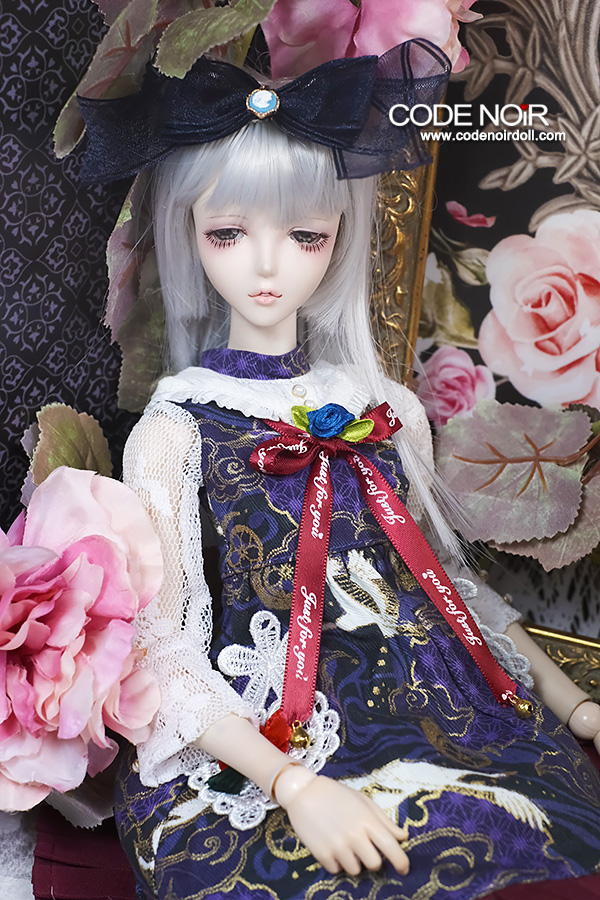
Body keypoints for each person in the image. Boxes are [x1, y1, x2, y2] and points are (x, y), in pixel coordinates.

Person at [78, 47, 600, 900]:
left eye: (305, 236)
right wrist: (290, 782)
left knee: (526, 825)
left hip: (436, 714)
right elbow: (162, 650)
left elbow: (449, 587)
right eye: (228, 233)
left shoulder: (387, 406)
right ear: (189, 234)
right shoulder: (174, 430)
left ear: (339, 239)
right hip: (272, 738)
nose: (267, 266)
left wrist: (574, 706)